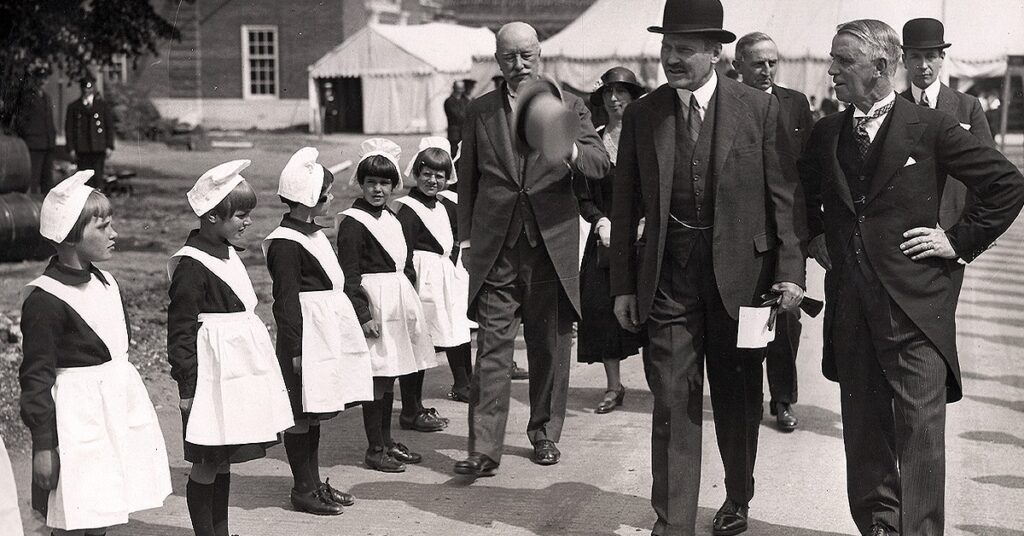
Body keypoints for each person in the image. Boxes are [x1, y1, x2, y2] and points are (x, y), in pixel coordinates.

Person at [800, 19, 1024, 536]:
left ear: (881, 67)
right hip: (851, 306)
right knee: (863, 429)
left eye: (843, 61)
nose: (831, 70)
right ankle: (879, 525)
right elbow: (800, 194)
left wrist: (957, 240)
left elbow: (1006, 185)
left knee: (921, 436)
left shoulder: (932, 127)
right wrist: (816, 238)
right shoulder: (827, 132)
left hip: (917, 309)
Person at [608, 1, 806, 534]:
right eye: (666, 48)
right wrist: (624, 285)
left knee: (739, 396)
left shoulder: (758, 109)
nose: (671, 58)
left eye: (684, 49)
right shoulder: (645, 115)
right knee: (672, 399)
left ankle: (738, 496)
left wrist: (790, 271)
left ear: (715, 53)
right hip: (669, 279)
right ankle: (673, 522)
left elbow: (784, 199)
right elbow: (625, 205)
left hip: (744, 283)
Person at [453, 21, 610, 477]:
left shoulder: (569, 105)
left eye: (526, 55)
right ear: (497, 61)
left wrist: (567, 148)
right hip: (497, 247)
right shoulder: (479, 110)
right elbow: (470, 183)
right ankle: (484, 447)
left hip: (550, 249)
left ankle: (543, 433)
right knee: (493, 350)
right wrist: (465, 239)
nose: (518, 65)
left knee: (548, 346)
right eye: (508, 57)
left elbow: (599, 163)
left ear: (540, 54)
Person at [20, 171, 171, 534]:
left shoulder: (107, 283)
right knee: (73, 514)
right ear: (72, 236)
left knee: (105, 509)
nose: (114, 234)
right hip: (75, 425)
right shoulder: (46, 300)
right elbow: (35, 379)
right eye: (103, 227)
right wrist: (44, 447)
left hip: (113, 415)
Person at [167, 160, 294, 536]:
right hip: (210, 375)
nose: (247, 222)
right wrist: (186, 388)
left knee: (222, 458)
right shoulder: (192, 264)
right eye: (240, 215)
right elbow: (181, 330)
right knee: (207, 459)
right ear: (210, 217)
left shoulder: (227, 252)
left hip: (234, 372)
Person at [263, 147, 374, 515]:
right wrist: (294, 350)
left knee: (315, 413)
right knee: (300, 414)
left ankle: (313, 482)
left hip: (323, 333)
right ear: (310, 198)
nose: (331, 198)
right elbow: (286, 303)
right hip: (304, 339)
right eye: (326, 193)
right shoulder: (285, 243)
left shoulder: (312, 233)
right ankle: (302, 488)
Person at [337, 138, 437, 473]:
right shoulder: (352, 221)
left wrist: (408, 301)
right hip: (374, 306)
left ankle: (388, 441)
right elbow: (349, 275)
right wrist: (363, 315)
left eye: (384, 183)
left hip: (396, 303)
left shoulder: (391, 218)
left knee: (391, 375)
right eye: (371, 183)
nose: (377, 189)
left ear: (394, 185)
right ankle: (375, 448)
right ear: (360, 184)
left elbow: (403, 264)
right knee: (377, 379)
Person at [732, 31, 814, 431]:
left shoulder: (795, 104)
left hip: (788, 229)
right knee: (749, 320)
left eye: (772, 63)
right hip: (744, 233)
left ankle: (783, 399)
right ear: (738, 67)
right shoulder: (727, 105)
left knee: (788, 320)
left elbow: (810, 170)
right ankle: (748, 399)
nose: (766, 71)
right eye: (757, 64)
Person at [575, 66, 644, 414]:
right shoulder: (595, 142)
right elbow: (583, 194)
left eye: (622, 92)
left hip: (646, 237)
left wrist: (647, 221)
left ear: (634, 96)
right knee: (600, 308)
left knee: (653, 312)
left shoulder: (648, 137)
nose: (615, 99)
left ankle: (663, 384)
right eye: (608, 93)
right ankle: (614, 385)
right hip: (605, 239)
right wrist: (599, 220)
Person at [395, 137, 474, 403]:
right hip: (421, 280)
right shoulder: (409, 210)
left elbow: (452, 241)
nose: (432, 181)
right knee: (419, 341)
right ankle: (411, 405)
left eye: (439, 176)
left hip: (442, 279)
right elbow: (403, 253)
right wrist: (410, 286)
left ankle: (463, 383)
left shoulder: (442, 206)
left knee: (450, 332)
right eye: (427, 174)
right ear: (416, 174)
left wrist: (448, 270)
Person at [899, 18, 995, 236]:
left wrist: (976, 233)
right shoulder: (895, 107)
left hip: (953, 228)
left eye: (931, 56)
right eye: (915, 56)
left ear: (942, 58)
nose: (923, 66)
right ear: (904, 60)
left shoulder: (968, 106)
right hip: (905, 230)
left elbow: (988, 173)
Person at [65, 78, 115, 189]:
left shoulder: (102, 106)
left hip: (98, 148)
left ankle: (98, 202)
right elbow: (69, 129)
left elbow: (109, 127)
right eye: (85, 88)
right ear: (81, 89)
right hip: (82, 149)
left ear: (93, 88)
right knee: (83, 179)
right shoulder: (74, 107)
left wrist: (109, 145)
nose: (87, 91)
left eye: (90, 88)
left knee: (98, 178)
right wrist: (71, 148)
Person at [13, 85, 56, 193]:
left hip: (47, 144)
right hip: (34, 144)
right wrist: (29, 135)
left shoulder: (47, 97)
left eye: (45, 78)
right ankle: (31, 207)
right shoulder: (28, 98)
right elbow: (20, 121)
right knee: (33, 179)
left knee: (47, 181)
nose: (42, 82)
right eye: (39, 78)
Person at [444, 81, 470, 158]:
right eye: (458, 89)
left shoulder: (465, 100)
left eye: (462, 89)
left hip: (465, 132)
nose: (460, 91)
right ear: (454, 89)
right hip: (454, 133)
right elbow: (456, 115)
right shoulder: (449, 101)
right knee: (454, 153)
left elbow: (471, 111)